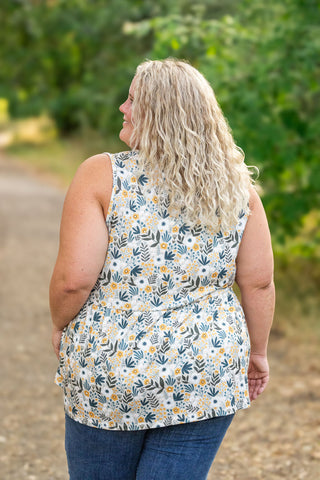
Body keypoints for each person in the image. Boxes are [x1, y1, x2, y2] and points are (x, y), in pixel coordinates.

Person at [50, 59, 275, 480]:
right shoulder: (238, 189)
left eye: (132, 99)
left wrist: (61, 325)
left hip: (110, 366)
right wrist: (257, 354)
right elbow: (258, 283)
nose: (122, 106)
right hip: (204, 370)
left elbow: (73, 282)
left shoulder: (102, 176)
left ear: (158, 113)